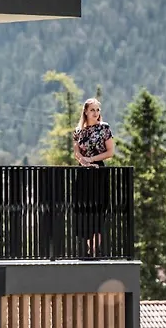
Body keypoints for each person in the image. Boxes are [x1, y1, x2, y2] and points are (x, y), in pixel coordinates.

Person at [71, 97, 114, 257]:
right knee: (82, 208)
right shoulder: (78, 131)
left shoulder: (104, 128)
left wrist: (92, 159)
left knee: (99, 208)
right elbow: (77, 152)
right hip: (83, 173)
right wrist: (83, 161)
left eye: (97, 110)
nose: (95, 113)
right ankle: (87, 247)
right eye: (92, 110)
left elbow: (110, 152)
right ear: (86, 112)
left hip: (98, 171)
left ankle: (95, 249)